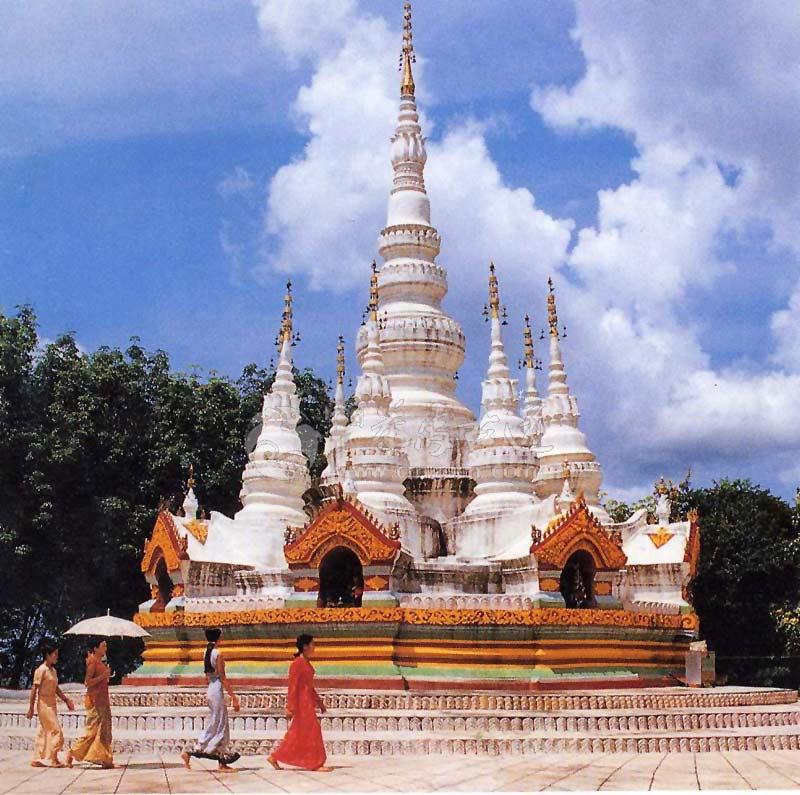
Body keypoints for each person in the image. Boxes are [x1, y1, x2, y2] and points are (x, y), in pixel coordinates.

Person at [181, 628, 241, 771]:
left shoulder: (206, 653)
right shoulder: (218, 653)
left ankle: (219, 758)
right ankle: (198, 749)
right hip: (217, 689)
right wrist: (233, 697)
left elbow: (207, 676)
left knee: (217, 722)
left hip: (211, 689)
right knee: (219, 724)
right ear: (218, 638)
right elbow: (223, 677)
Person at [268, 634, 330, 772]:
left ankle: (275, 756)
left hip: (307, 702)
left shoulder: (305, 662)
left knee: (298, 733)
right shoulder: (297, 664)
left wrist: (319, 702)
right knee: (313, 731)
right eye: (312, 644)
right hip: (301, 704)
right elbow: (293, 686)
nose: (314, 647)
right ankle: (315, 763)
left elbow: (309, 686)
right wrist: (290, 707)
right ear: (305, 646)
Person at [66, 638, 114, 769]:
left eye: (105, 646)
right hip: (95, 701)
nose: (105, 649)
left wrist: (106, 676)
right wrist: (103, 676)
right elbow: (87, 682)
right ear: (95, 648)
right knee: (92, 731)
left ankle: (105, 758)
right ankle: (72, 753)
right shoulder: (92, 662)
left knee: (105, 730)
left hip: (103, 699)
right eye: (103, 646)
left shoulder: (100, 662)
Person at [27, 643, 74, 767]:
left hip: (52, 703)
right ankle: (54, 758)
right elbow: (34, 689)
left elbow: (56, 688)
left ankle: (37, 758)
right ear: (47, 655)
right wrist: (31, 708)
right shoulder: (41, 670)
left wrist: (66, 700)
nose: (56, 656)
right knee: (56, 731)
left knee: (44, 731)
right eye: (55, 654)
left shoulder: (53, 671)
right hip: (43, 704)